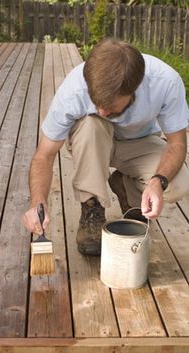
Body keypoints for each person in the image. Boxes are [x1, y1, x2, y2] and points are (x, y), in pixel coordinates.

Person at [23, 38, 189, 256]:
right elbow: (43, 156)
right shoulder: (73, 89)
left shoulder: (165, 82)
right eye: (96, 101)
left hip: (139, 143)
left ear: (135, 89)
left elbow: (177, 144)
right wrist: (37, 202)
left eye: (110, 106)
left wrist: (158, 182)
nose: (102, 110)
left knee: (179, 183)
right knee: (92, 122)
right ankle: (91, 207)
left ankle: (128, 193)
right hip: (92, 143)